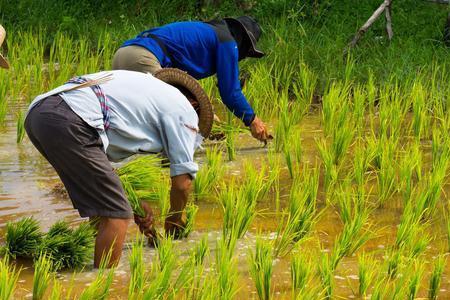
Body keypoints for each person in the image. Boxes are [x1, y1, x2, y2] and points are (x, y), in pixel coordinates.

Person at [25, 70, 206, 267]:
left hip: (39, 115)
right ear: (194, 105)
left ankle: (86, 269)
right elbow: (182, 184)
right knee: (116, 213)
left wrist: (135, 202)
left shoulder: (144, 92)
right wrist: (175, 221)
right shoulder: (184, 109)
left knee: (102, 208)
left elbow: (112, 172)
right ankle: (104, 285)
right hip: (73, 119)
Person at [112, 16, 269, 142]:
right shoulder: (228, 42)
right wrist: (253, 120)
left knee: (135, 121)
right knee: (175, 115)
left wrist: (208, 120)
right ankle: (172, 168)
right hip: (143, 58)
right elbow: (230, 93)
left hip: (122, 54)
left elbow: (180, 85)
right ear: (243, 41)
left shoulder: (208, 33)